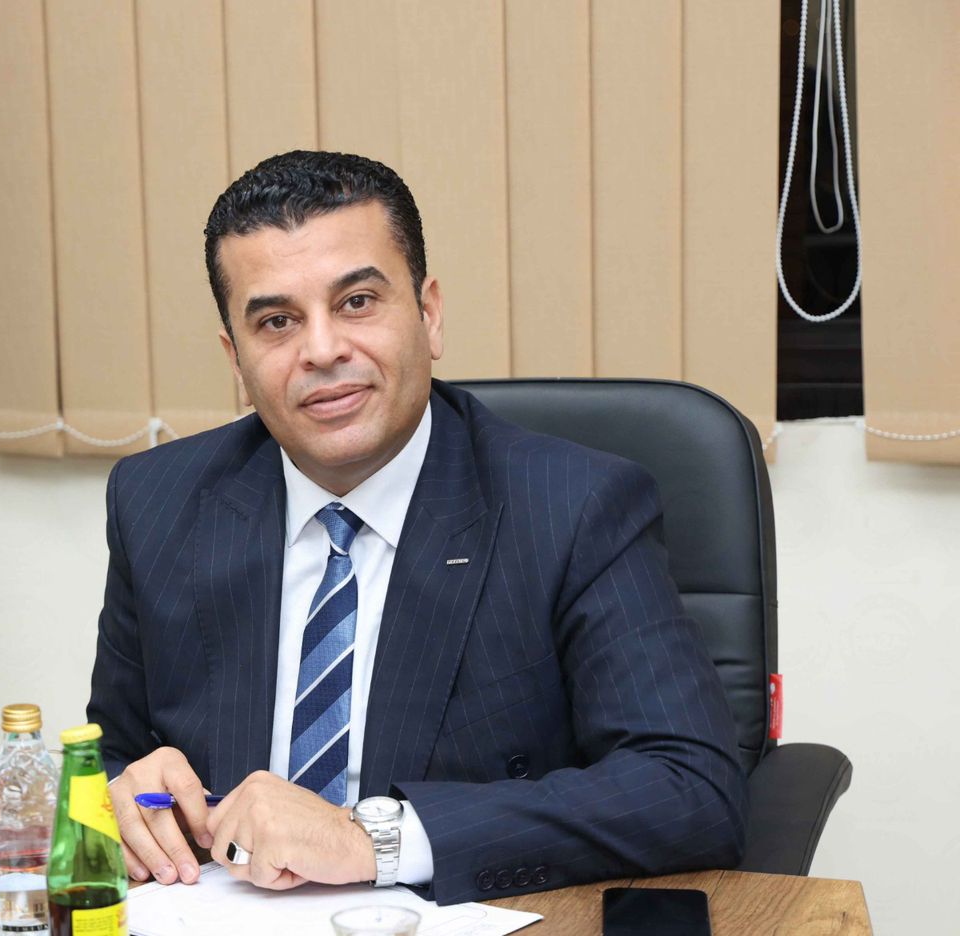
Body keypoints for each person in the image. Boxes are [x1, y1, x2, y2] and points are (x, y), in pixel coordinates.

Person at [86, 151, 746, 905]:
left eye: (358, 302)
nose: (322, 350)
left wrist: (375, 839)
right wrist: (122, 795)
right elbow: (114, 756)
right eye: (277, 322)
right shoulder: (158, 502)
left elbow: (690, 789)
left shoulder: (575, 507)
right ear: (236, 360)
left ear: (429, 315)